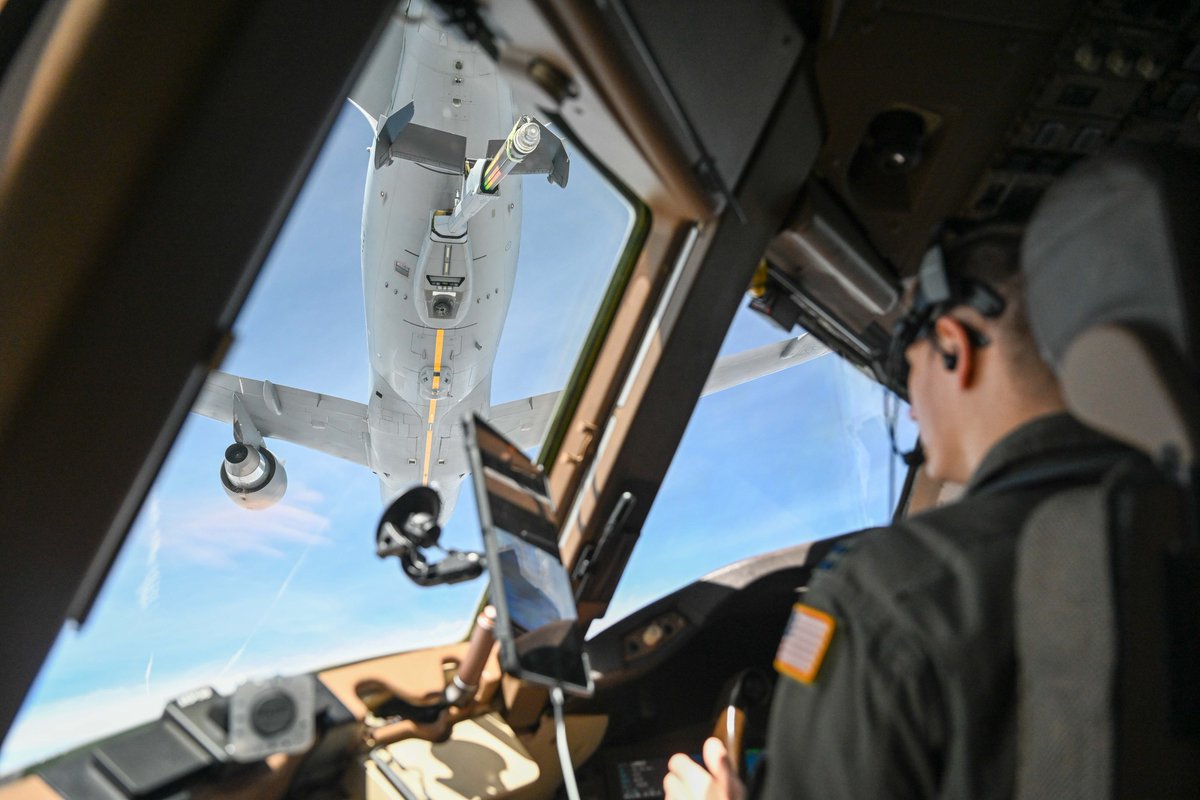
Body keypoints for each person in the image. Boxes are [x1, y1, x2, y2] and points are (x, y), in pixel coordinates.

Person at [664, 219, 1138, 799]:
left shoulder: (889, 591)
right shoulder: (1162, 523)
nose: (912, 413)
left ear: (953, 348)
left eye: (908, 373)